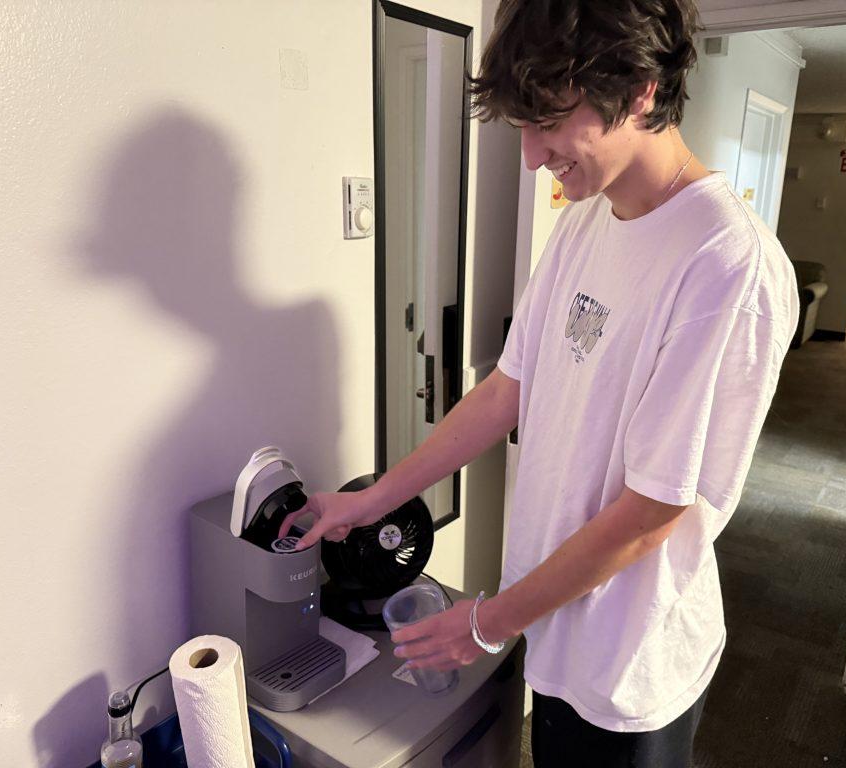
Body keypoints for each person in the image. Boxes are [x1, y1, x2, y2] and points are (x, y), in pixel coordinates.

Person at [282, 0, 798, 764]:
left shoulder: (726, 266)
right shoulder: (585, 224)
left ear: (642, 89)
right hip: (558, 625)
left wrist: (488, 623)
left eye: (548, 123)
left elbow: (654, 511)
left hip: (629, 665)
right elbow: (506, 390)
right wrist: (371, 500)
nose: (530, 158)